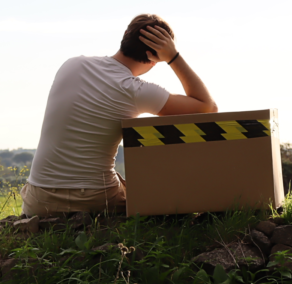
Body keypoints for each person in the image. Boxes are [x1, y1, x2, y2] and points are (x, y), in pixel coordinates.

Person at [22, 13, 217, 216]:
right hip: (94, 198)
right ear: (155, 59)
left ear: (125, 35)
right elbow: (208, 107)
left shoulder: (72, 64)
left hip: (38, 199)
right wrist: (174, 57)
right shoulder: (136, 90)